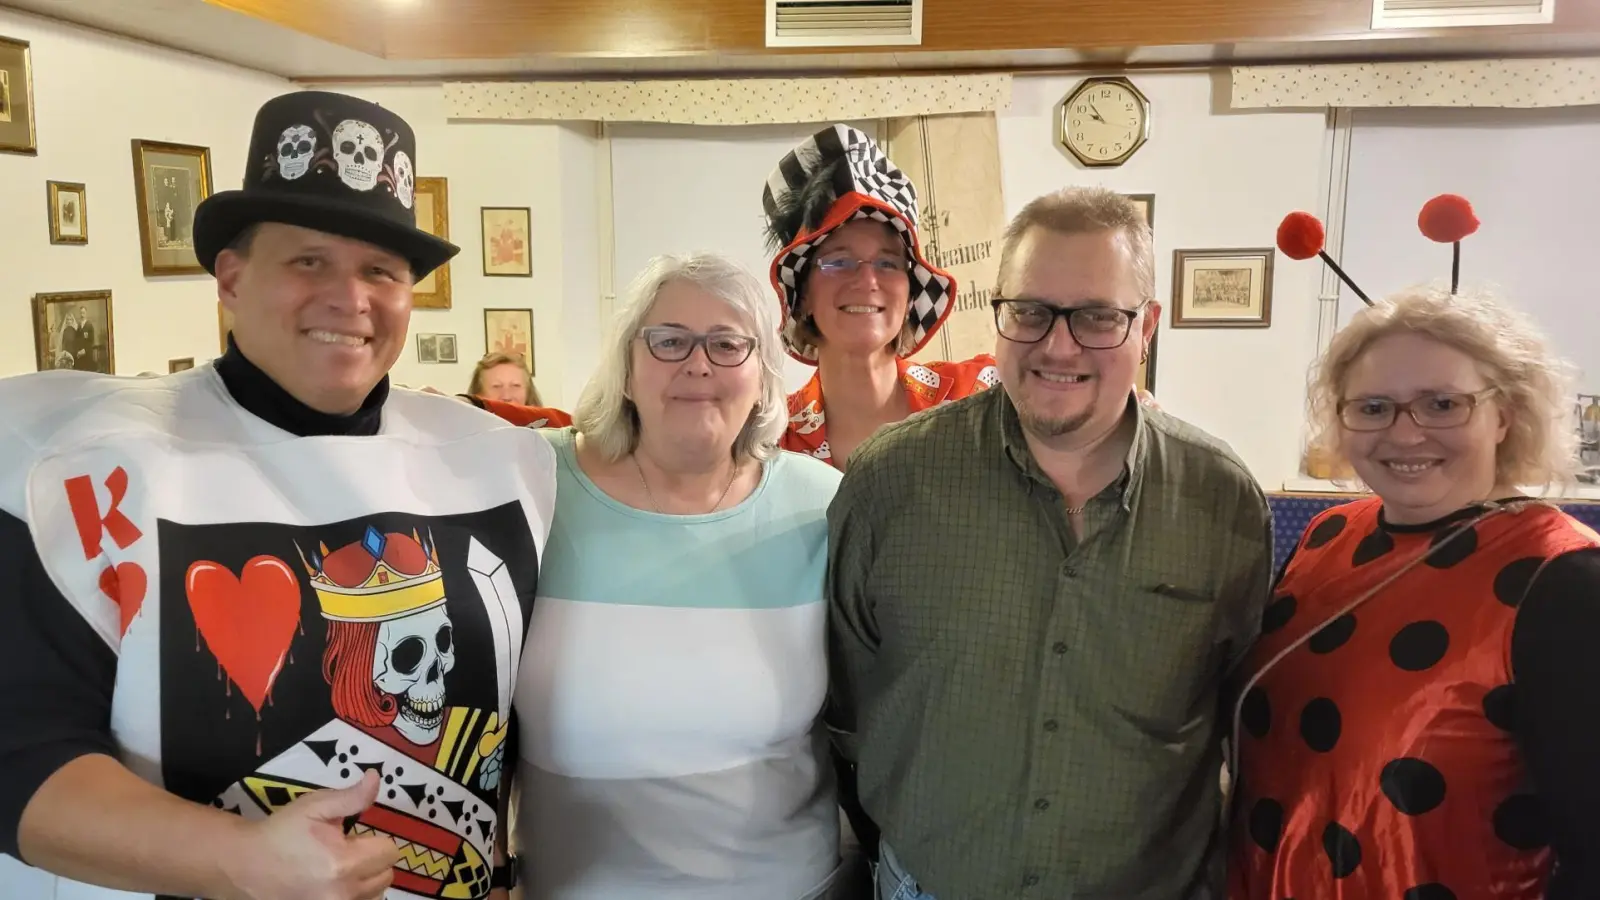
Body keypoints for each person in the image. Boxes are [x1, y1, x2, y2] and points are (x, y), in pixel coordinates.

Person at [0, 90, 556, 900]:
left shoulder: (500, 460)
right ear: (230, 278)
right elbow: (19, 755)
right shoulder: (87, 462)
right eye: (309, 262)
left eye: (380, 271)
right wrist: (242, 860)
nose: (350, 298)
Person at [826, 186, 1273, 899]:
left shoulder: (1221, 500)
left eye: (1098, 316)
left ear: (1147, 325)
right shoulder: (891, 483)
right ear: (998, 314)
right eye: (1030, 312)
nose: (1058, 346)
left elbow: (1239, 719)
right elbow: (845, 702)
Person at [1228, 199, 1600, 899]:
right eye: (1373, 407)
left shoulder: (1565, 581)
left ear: (1505, 414)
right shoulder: (1327, 537)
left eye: (1441, 403)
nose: (1404, 434)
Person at [511, 253, 844, 899]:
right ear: (627, 369)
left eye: (727, 344)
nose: (698, 364)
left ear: (762, 377)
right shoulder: (532, 483)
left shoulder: (822, 504)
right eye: (668, 341)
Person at [761, 124, 999, 470]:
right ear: (804, 297)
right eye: (839, 261)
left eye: (888, 263)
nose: (868, 279)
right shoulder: (769, 441)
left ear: (909, 292)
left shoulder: (979, 397)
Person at [468, 351, 543, 405]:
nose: (506, 397)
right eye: (496, 386)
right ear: (478, 395)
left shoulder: (548, 425)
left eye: (515, 386)